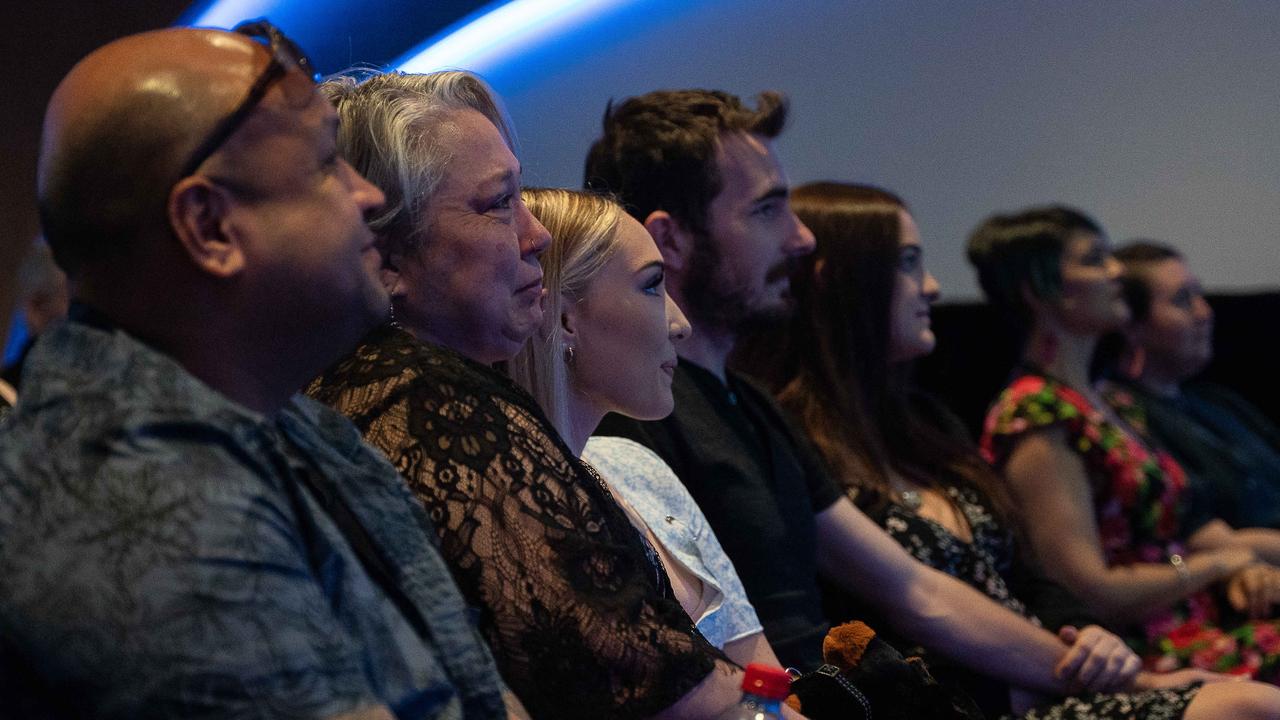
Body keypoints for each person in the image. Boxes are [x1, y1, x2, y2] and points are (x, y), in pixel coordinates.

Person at [0, 22, 514, 718]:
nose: (369, 197)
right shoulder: (137, 497)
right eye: (327, 163)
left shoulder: (291, 425)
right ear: (209, 228)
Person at [584, 88, 1156, 703]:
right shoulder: (632, 419)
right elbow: (699, 659)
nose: (802, 240)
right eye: (768, 210)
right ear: (670, 242)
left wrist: (1121, 678)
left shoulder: (750, 402)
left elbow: (914, 588)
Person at [739, 181, 1280, 718]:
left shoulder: (923, 422)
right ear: (839, 283)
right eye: (907, 263)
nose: (931, 286)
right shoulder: (1034, 413)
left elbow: (1034, 574)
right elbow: (924, 605)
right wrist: (1210, 571)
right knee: (1252, 704)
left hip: (1074, 659)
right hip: (1002, 690)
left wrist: (1091, 630)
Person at [305, 71, 735, 719]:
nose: (537, 235)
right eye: (500, 202)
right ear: (385, 253)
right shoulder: (427, 402)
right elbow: (674, 697)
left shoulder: (350, 389)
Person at [972, 206, 1280, 682]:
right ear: (1040, 293)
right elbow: (1089, 592)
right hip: (1145, 650)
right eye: (1095, 260)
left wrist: (1242, 565)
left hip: (1207, 619)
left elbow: (1184, 527)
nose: (1116, 271)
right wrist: (1216, 565)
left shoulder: (1108, 403)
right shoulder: (1035, 415)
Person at [506, 187, 784, 673]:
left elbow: (767, 679)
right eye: (653, 285)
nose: (680, 325)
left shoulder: (637, 467)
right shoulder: (507, 505)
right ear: (565, 316)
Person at [1108, 240, 1280, 530]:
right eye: (1183, 300)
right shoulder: (1125, 421)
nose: (1205, 313)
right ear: (1130, 325)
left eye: (1199, 294)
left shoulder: (1218, 400)